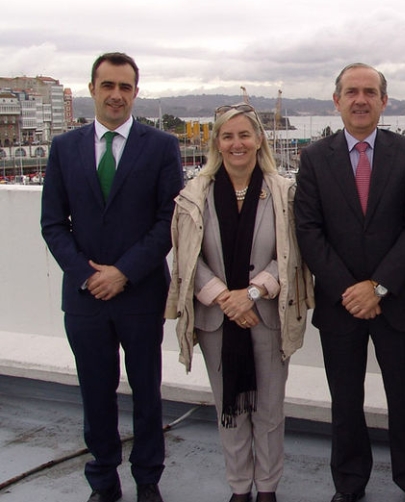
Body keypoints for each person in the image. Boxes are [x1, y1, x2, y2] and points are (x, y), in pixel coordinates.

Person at [40, 52, 183, 502]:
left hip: (140, 294)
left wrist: (123, 272)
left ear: (136, 92)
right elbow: (52, 224)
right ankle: (103, 481)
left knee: (147, 394)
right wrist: (87, 275)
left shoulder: (161, 146)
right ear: (92, 90)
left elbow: (169, 221)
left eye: (125, 87)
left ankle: (147, 481)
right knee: (96, 396)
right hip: (85, 300)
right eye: (108, 86)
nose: (116, 95)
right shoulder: (64, 149)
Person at [293, 63, 405, 502]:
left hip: (398, 301)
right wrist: (350, 291)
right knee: (345, 403)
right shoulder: (315, 158)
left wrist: (378, 287)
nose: (360, 99)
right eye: (351, 91)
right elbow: (309, 231)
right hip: (341, 305)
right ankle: (349, 484)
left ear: (383, 101)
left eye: (369, 92)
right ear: (336, 101)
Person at [165, 104, 314, 502]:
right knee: (229, 409)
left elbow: (291, 253)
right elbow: (186, 257)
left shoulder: (283, 192)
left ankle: (267, 488)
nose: (237, 144)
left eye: (244, 135)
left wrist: (251, 293)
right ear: (216, 142)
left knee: (267, 411)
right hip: (217, 322)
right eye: (227, 136)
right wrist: (223, 298)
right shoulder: (194, 196)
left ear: (259, 139)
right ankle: (238, 488)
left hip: (268, 317)